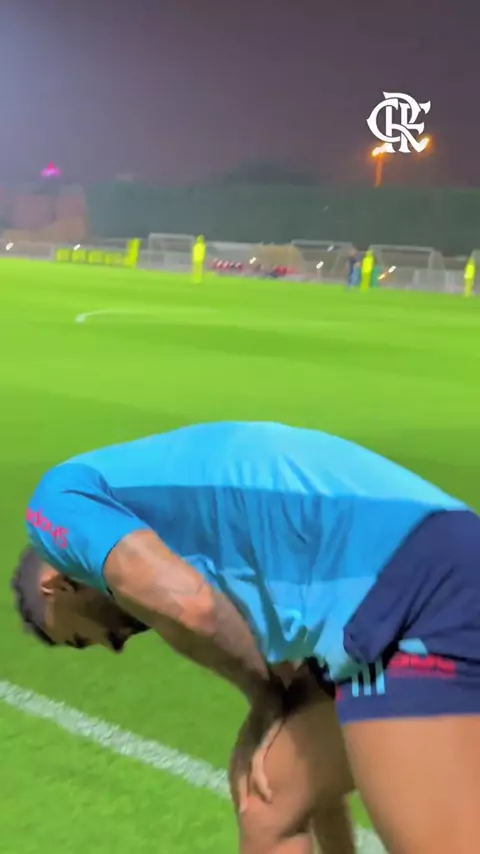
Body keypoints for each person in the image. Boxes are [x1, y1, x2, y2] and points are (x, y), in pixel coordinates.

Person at [11, 421, 480, 853]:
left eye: (81, 638)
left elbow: (192, 608)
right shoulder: (216, 554)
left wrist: (266, 698)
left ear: (58, 585)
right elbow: (309, 767)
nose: (114, 644)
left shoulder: (57, 505)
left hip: (406, 589)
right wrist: (274, 702)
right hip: (426, 563)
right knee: (269, 801)